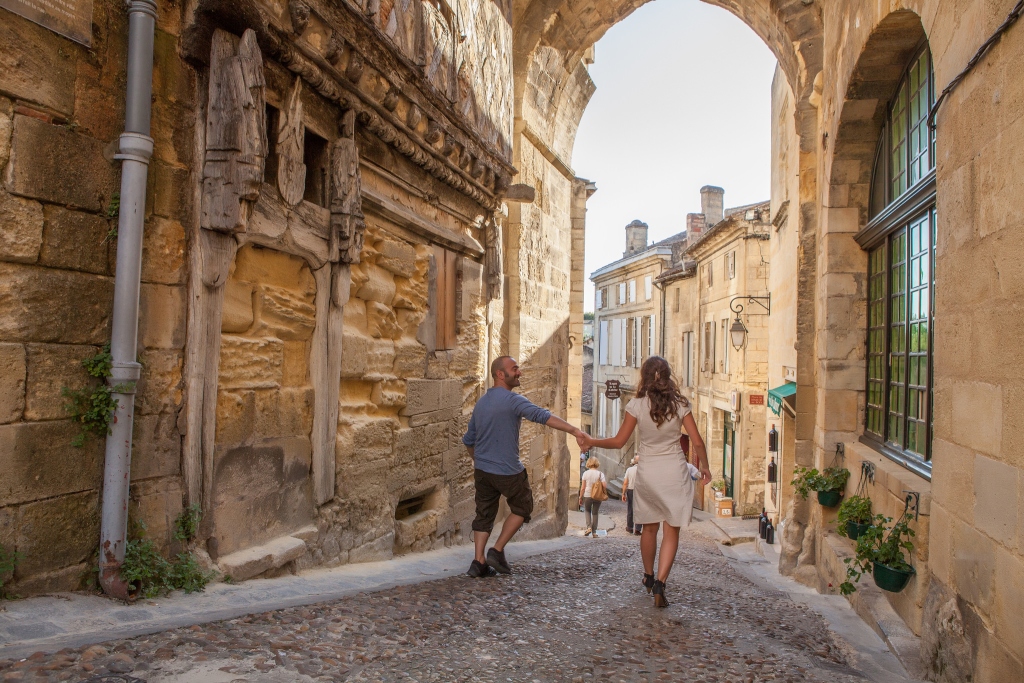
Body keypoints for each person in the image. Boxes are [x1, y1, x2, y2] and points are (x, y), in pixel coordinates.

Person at [578, 356, 711, 608]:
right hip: (674, 473)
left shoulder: (637, 405)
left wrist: (591, 440)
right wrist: (703, 466)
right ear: (668, 375)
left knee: (649, 529)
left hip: (648, 472)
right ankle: (661, 582)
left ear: (645, 377)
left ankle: (648, 576)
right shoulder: (680, 404)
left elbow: (619, 441)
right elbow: (698, 441)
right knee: (672, 529)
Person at [463, 355, 586, 578]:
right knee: (523, 506)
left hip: (483, 471)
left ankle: (478, 561)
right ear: (501, 374)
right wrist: (575, 431)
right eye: (514, 368)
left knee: (483, 514)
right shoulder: (513, 401)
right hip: (508, 470)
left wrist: (478, 461)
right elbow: (543, 416)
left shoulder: (481, 403)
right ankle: (496, 550)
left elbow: (468, 440)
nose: (519, 372)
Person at [578, 456, 608, 537]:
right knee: (595, 512)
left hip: (587, 494)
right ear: (597, 463)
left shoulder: (585, 473)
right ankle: (594, 532)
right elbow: (604, 485)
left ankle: (588, 527)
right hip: (597, 495)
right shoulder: (600, 474)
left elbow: (583, 487)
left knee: (587, 511)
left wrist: (580, 497)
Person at [621, 456, 641, 535]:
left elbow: (625, 483)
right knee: (639, 510)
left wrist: (623, 493)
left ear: (634, 461)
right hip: (641, 491)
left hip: (631, 490)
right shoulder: (643, 470)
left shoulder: (629, 470)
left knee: (630, 509)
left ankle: (629, 527)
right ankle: (638, 529)